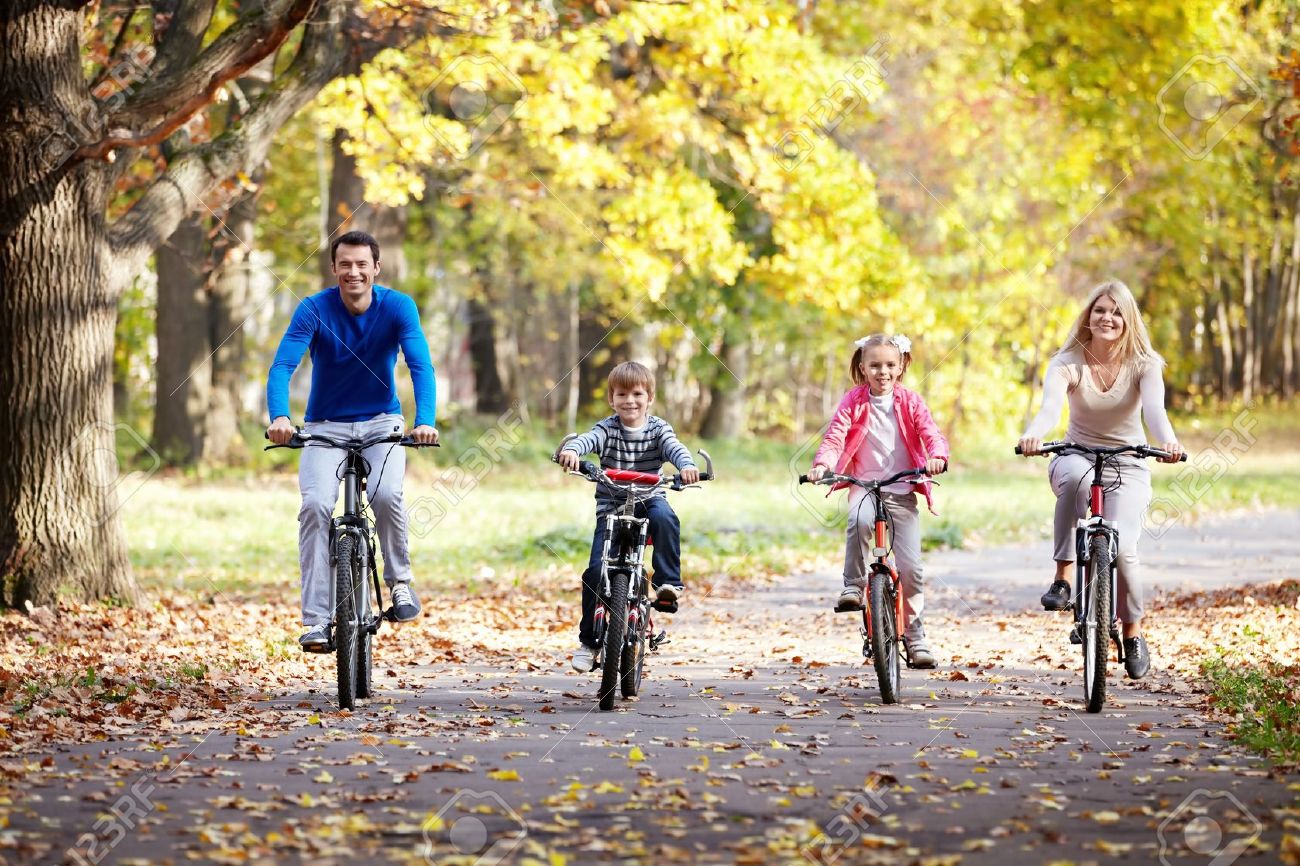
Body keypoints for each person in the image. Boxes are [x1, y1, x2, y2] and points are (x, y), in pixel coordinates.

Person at [266, 230, 439, 648]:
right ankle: (315, 620)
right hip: (324, 427)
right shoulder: (313, 309)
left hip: (382, 423)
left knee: (386, 496)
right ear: (334, 268)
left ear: (376, 268)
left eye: (362, 264)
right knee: (314, 506)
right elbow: (281, 367)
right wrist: (280, 416)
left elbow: (421, 366)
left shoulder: (398, 307)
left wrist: (425, 421)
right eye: (345, 264)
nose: (354, 272)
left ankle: (400, 583)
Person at [1018, 279, 1185, 680]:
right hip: (1075, 454)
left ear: (1128, 321)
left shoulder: (1145, 364)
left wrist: (1168, 442)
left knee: (1124, 546)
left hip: (1128, 463)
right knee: (1074, 481)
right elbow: (1050, 408)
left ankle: (1132, 633)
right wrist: (1034, 435)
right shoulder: (1067, 362)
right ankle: (1062, 578)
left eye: (1116, 312)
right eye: (1100, 310)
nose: (1107, 318)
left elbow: (1155, 413)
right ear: (1088, 316)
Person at [807, 334, 949, 669]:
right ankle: (854, 587)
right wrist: (822, 465)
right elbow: (835, 436)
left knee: (912, 568)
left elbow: (931, 434)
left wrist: (937, 456)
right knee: (858, 521)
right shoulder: (854, 401)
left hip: (901, 491)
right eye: (874, 365)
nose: (882, 371)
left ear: (901, 366)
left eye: (889, 365)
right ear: (862, 366)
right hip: (865, 487)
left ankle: (915, 636)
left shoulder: (911, 402)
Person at [556, 361, 700, 672]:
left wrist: (686, 467)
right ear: (612, 399)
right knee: (595, 572)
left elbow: (675, 449)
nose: (630, 401)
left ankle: (668, 584)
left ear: (650, 398)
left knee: (666, 517)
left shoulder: (659, 429)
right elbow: (587, 440)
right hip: (611, 505)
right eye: (622, 394)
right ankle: (589, 641)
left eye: (637, 394)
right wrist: (574, 452)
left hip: (650, 500)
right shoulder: (607, 428)